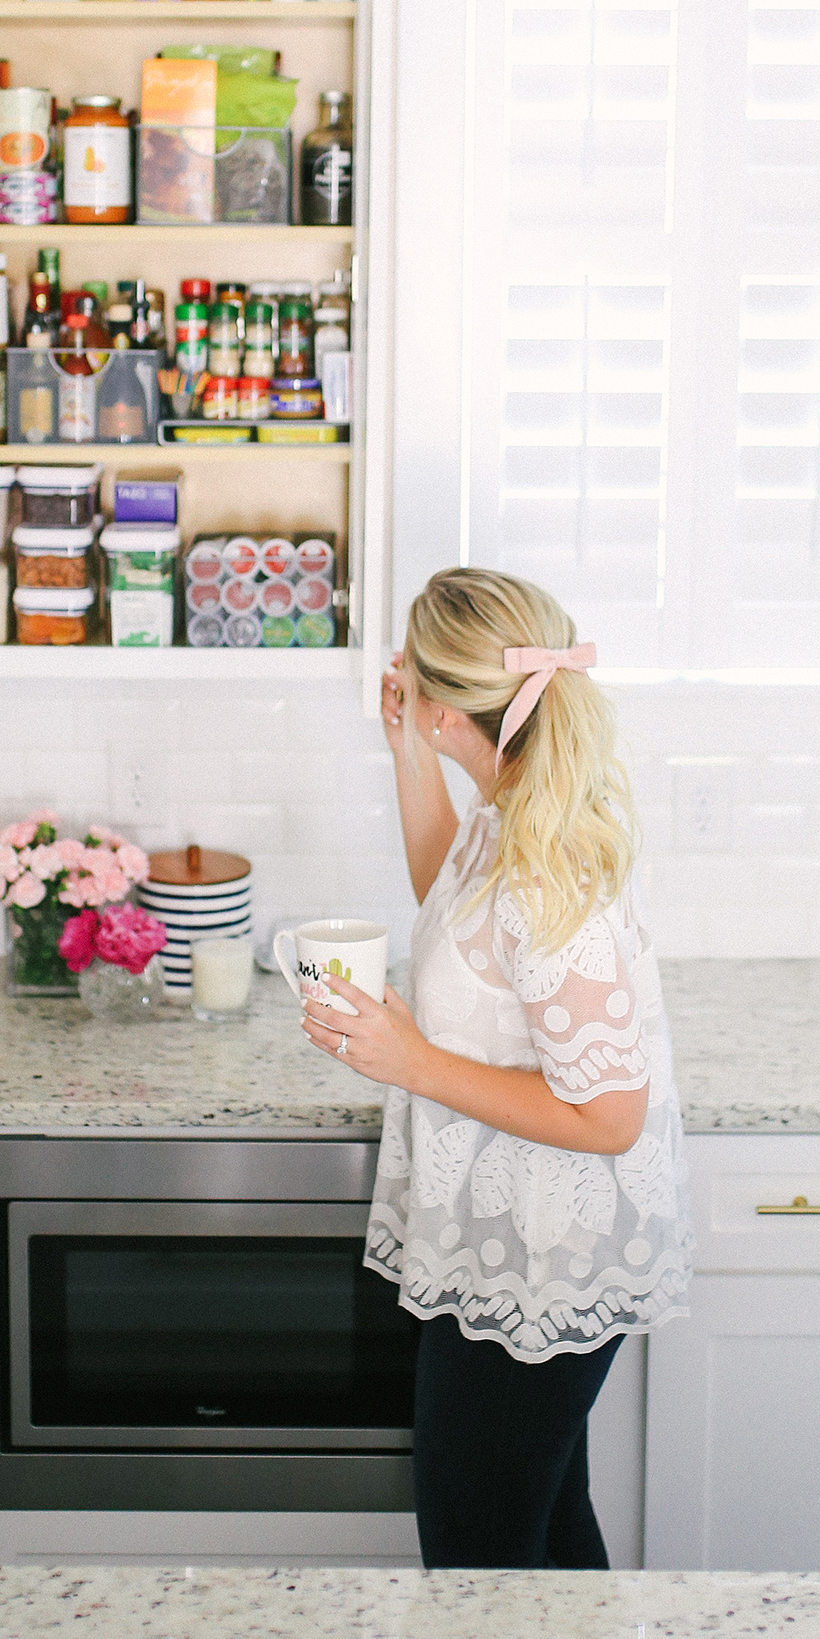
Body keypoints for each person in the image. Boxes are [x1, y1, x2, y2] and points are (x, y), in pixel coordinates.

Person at [302, 567, 693, 1569]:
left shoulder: (545, 865)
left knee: (480, 1558)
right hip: (510, 1240)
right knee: (546, 1531)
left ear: (446, 706)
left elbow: (611, 1116)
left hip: (543, 1253)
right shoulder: (508, 810)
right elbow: (454, 903)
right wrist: (406, 754)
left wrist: (414, 1062)